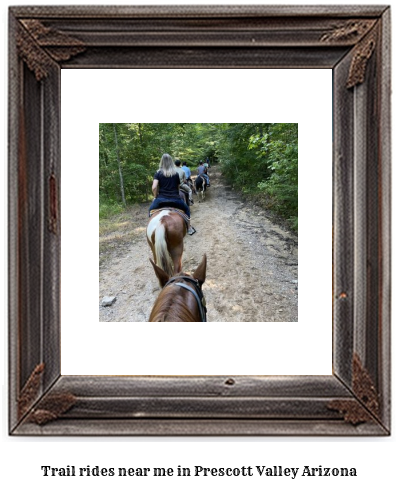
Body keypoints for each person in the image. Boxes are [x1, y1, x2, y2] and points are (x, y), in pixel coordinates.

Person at [149, 154, 196, 235]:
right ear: (171, 162)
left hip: (161, 199)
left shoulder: (158, 173)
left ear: (162, 162)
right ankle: (189, 228)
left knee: (150, 210)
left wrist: (155, 196)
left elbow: (154, 187)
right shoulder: (175, 174)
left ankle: (150, 229)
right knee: (187, 209)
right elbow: (178, 187)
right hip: (175, 199)